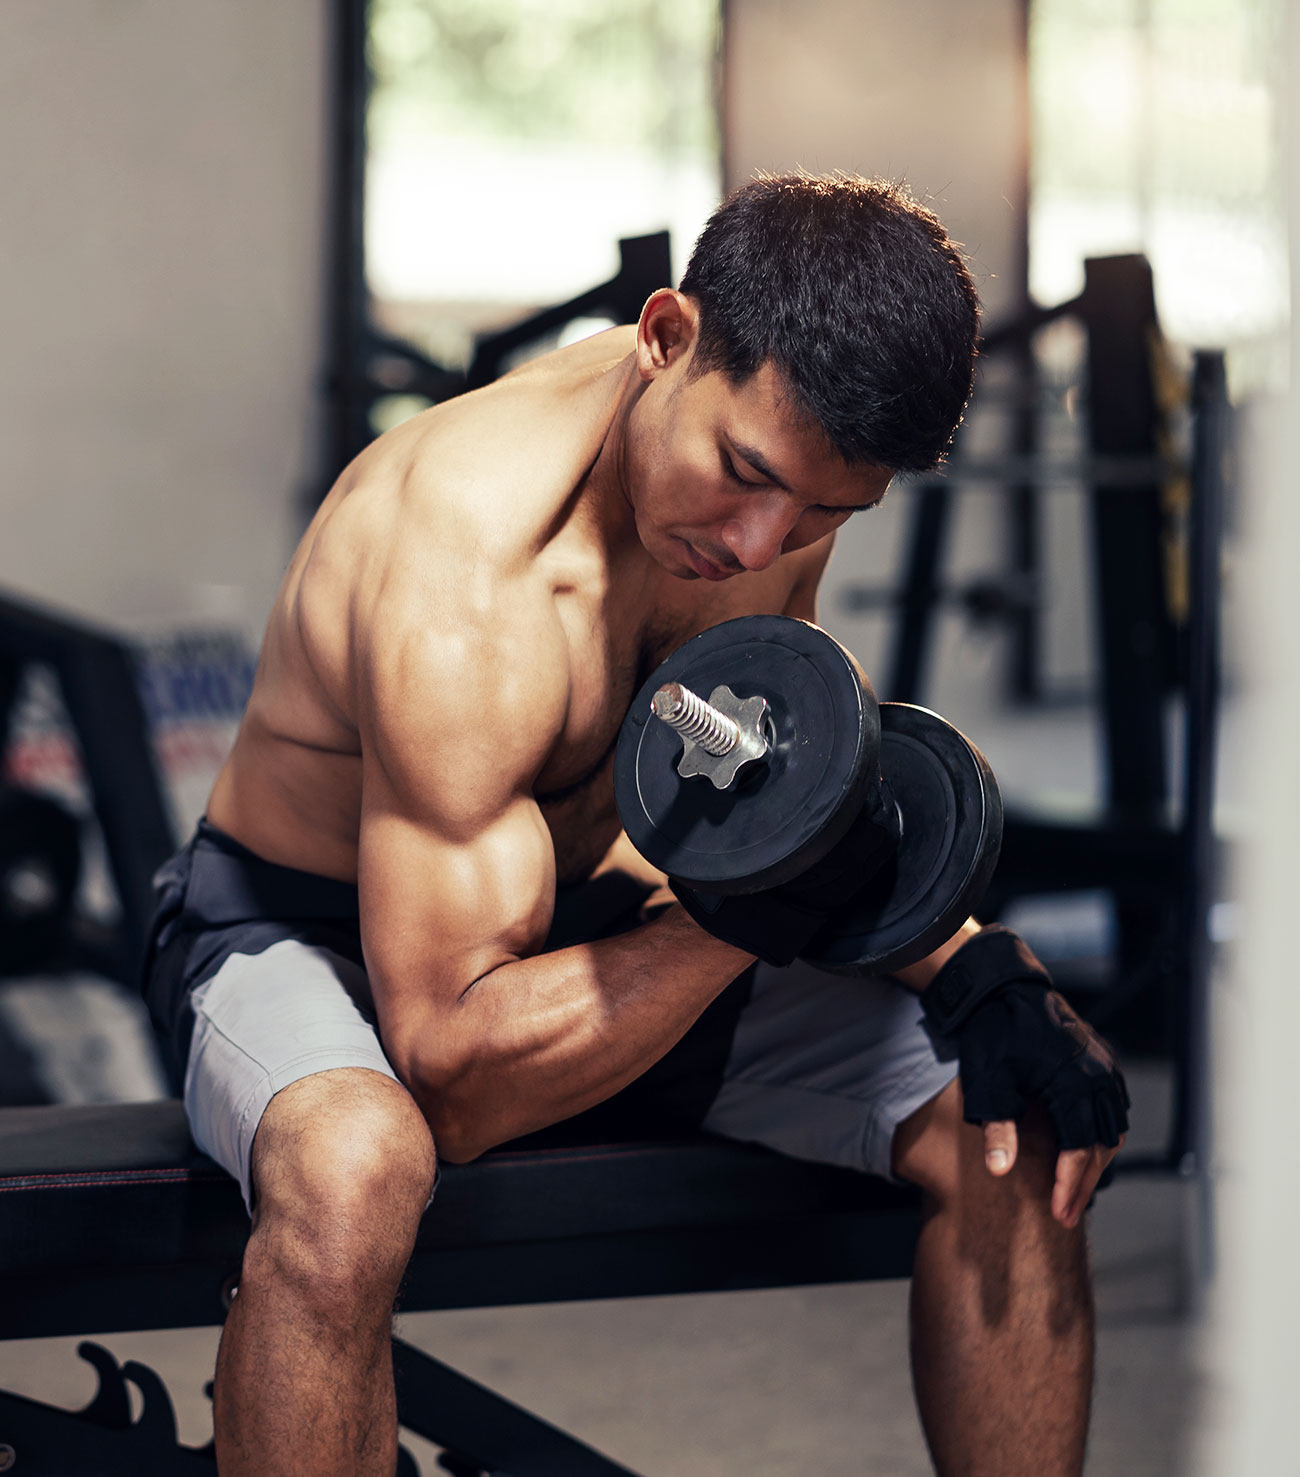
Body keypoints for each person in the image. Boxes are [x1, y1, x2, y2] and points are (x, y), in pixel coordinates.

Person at [142, 172, 1128, 1476]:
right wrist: (749, 913)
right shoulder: (469, 570)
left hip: (592, 916)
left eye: (829, 511)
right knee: (353, 1168)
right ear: (666, 336)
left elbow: (765, 801)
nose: (766, 537)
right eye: (745, 474)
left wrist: (972, 965)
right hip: (296, 934)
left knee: (1015, 1109)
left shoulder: (776, 491)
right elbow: (451, 1073)